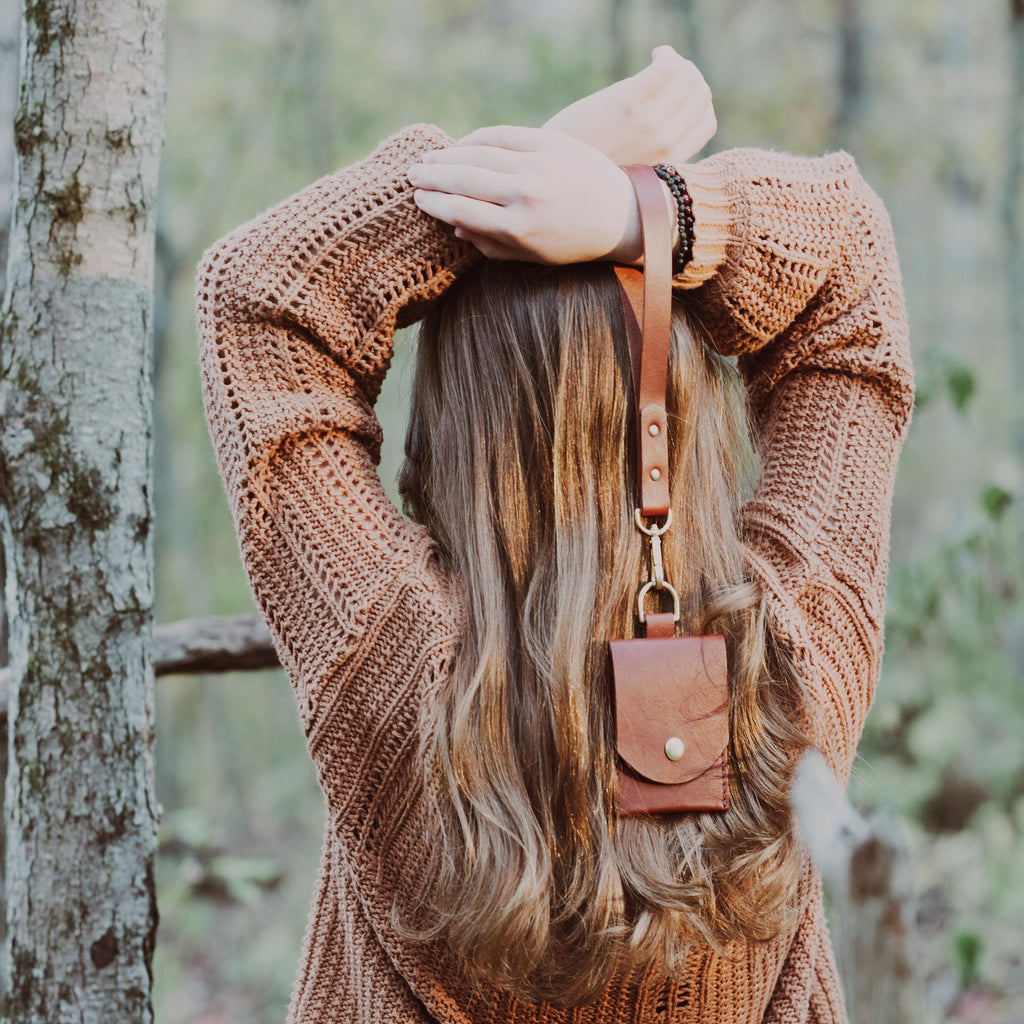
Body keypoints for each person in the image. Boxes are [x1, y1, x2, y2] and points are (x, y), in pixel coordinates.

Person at [196, 46, 912, 1024]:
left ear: (454, 421)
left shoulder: (392, 664)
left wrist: (505, 174)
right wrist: (650, 216)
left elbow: (257, 301)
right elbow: (850, 278)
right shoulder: (789, 669)